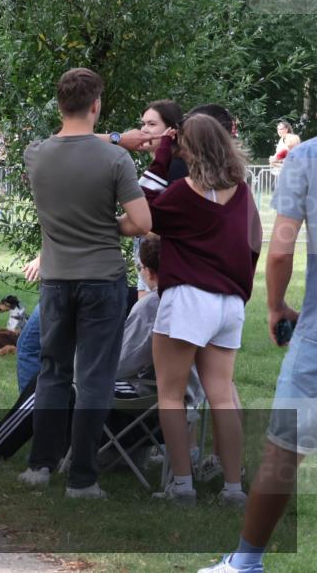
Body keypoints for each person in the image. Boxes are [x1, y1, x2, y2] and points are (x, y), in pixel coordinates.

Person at [18, 68, 151, 499]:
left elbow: (67, 140)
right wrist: (108, 223)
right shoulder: (115, 160)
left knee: (53, 371)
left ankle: (40, 464)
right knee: (93, 378)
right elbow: (143, 222)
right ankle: (82, 478)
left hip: (56, 279)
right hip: (102, 278)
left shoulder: (35, 154)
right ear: (96, 105)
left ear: (60, 105)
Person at [118, 113, 262, 506]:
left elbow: (142, 214)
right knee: (220, 395)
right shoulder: (243, 192)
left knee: (170, 395)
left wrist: (161, 158)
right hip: (229, 304)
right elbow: (254, 243)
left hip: (187, 299)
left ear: (188, 149)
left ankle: (181, 485)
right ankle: (234, 489)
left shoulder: (183, 193)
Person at [0, 237, 184, 459]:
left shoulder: (153, 306)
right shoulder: (187, 300)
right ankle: (23, 441)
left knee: (52, 379)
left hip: (145, 396)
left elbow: (121, 363)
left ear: (149, 272)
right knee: (57, 375)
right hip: (174, 397)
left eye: (139, 267)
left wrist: (83, 359)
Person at [198, 134, 315, 573]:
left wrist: (274, 306)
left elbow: (281, 249)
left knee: (284, 449)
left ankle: (246, 561)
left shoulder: (306, 157)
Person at [133, 100, 183, 299]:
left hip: (165, 267)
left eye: (152, 124)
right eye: (143, 123)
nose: (144, 129)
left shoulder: (177, 168)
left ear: (172, 130)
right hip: (146, 265)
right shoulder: (157, 167)